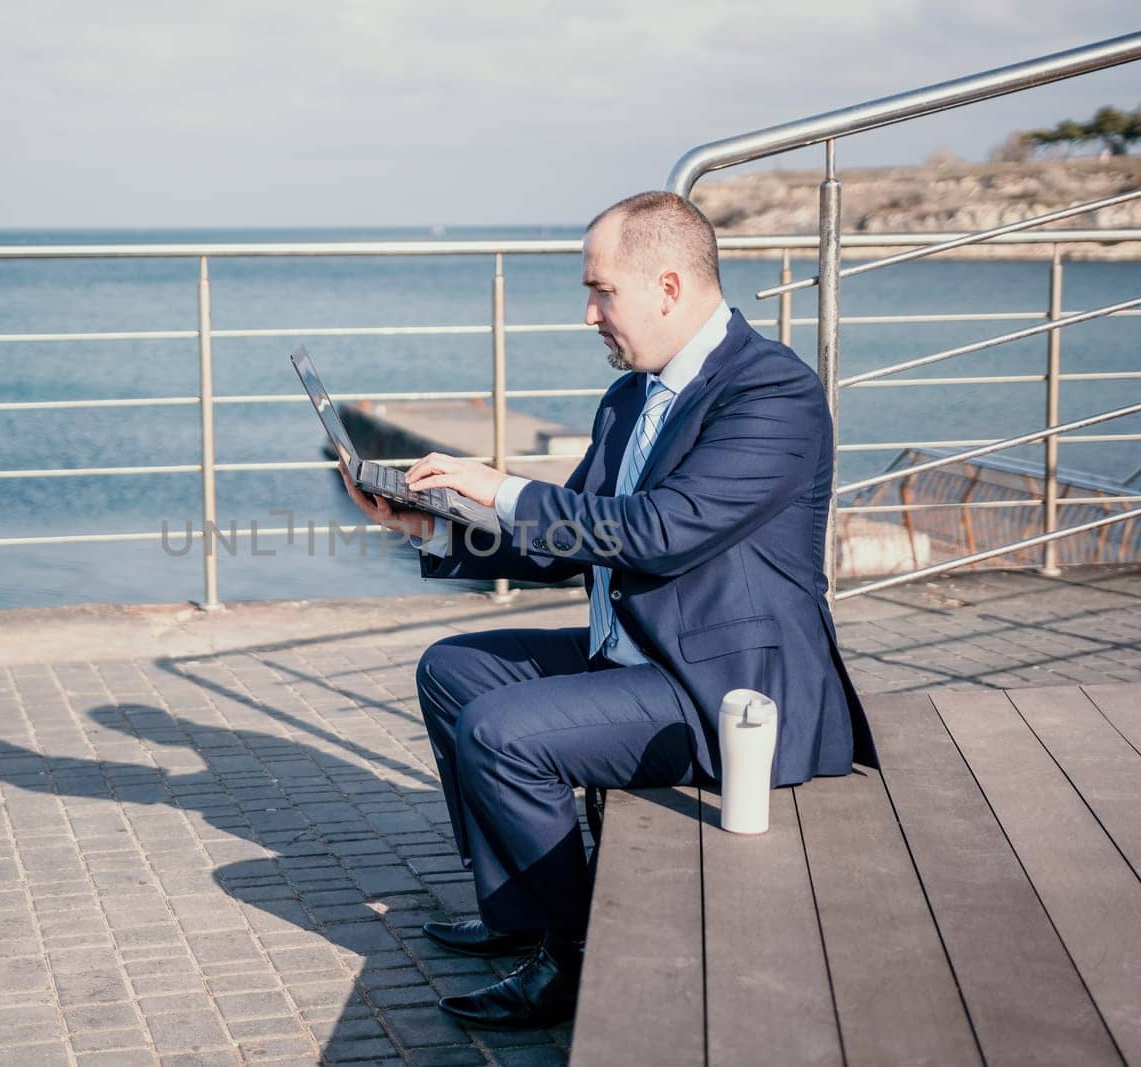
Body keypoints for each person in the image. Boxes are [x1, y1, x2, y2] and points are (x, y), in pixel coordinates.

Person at [339, 190, 875, 1031]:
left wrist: (503, 483)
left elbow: (661, 533)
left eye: (601, 291)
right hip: (639, 657)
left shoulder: (773, 393)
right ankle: (518, 909)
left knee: (503, 733)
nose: (589, 313)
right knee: (453, 670)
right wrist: (433, 530)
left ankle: (577, 952)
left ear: (667, 286)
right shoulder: (632, 397)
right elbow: (569, 540)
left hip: (726, 690)